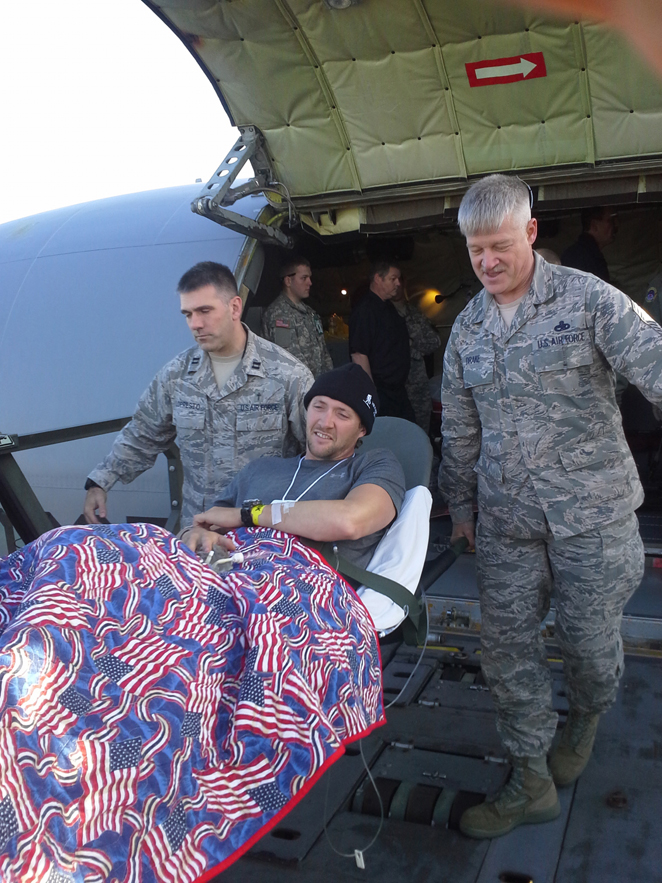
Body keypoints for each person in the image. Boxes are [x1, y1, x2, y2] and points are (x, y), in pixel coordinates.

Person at [439, 174, 662, 839]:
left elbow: (656, 364)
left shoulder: (589, 300)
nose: (487, 262)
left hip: (592, 518)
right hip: (508, 522)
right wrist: (460, 505)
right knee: (506, 651)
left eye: (500, 246)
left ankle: (584, 721)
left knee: (589, 648)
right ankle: (530, 778)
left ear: (530, 232)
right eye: (476, 250)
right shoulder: (467, 328)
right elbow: (460, 427)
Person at [84, 261, 313, 527]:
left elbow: (320, 453)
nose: (195, 324)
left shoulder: (287, 374)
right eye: (188, 314)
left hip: (261, 534)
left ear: (235, 307)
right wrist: (100, 481)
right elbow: (143, 434)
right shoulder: (177, 376)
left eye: (205, 311)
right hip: (198, 534)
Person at [181, 362, 406, 570]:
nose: (325, 422)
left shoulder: (375, 465)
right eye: (319, 407)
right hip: (225, 576)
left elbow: (350, 521)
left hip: (303, 587)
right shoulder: (261, 468)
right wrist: (193, 536)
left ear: (362, 429)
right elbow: (204, 523)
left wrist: (249, 515)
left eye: (342, 414)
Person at [349, 261, 416, 422]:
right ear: (378, 278)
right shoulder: (365, 310)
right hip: (381, 391)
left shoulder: (388, 307)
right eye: (393, 279)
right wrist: (370, 392)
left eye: (398, 279)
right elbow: (359, 354)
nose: (398, 283)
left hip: (397, 390)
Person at [261, 255, 333, 378]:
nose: (310, 283)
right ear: (288, 281)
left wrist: (330, 379)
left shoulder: (310, 312)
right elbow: (290, 360)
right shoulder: (279, 314)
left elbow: (324, 352)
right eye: (304, 278)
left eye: (309, 278)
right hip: (298, 386)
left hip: (319, 384)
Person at [392, 282, 441, 433]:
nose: (396, 286)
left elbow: (435, 341)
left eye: (399, 282)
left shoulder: (415, 314)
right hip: (392, 381)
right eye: (392, 280)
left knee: (421, 423)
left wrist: (413, 345)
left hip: (416, 379)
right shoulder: (381, 314)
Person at [561, 206, 617, 283]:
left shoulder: (577, 253)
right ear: (594, 225)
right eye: (610, 221)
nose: (615, 225)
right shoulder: (586, 257)